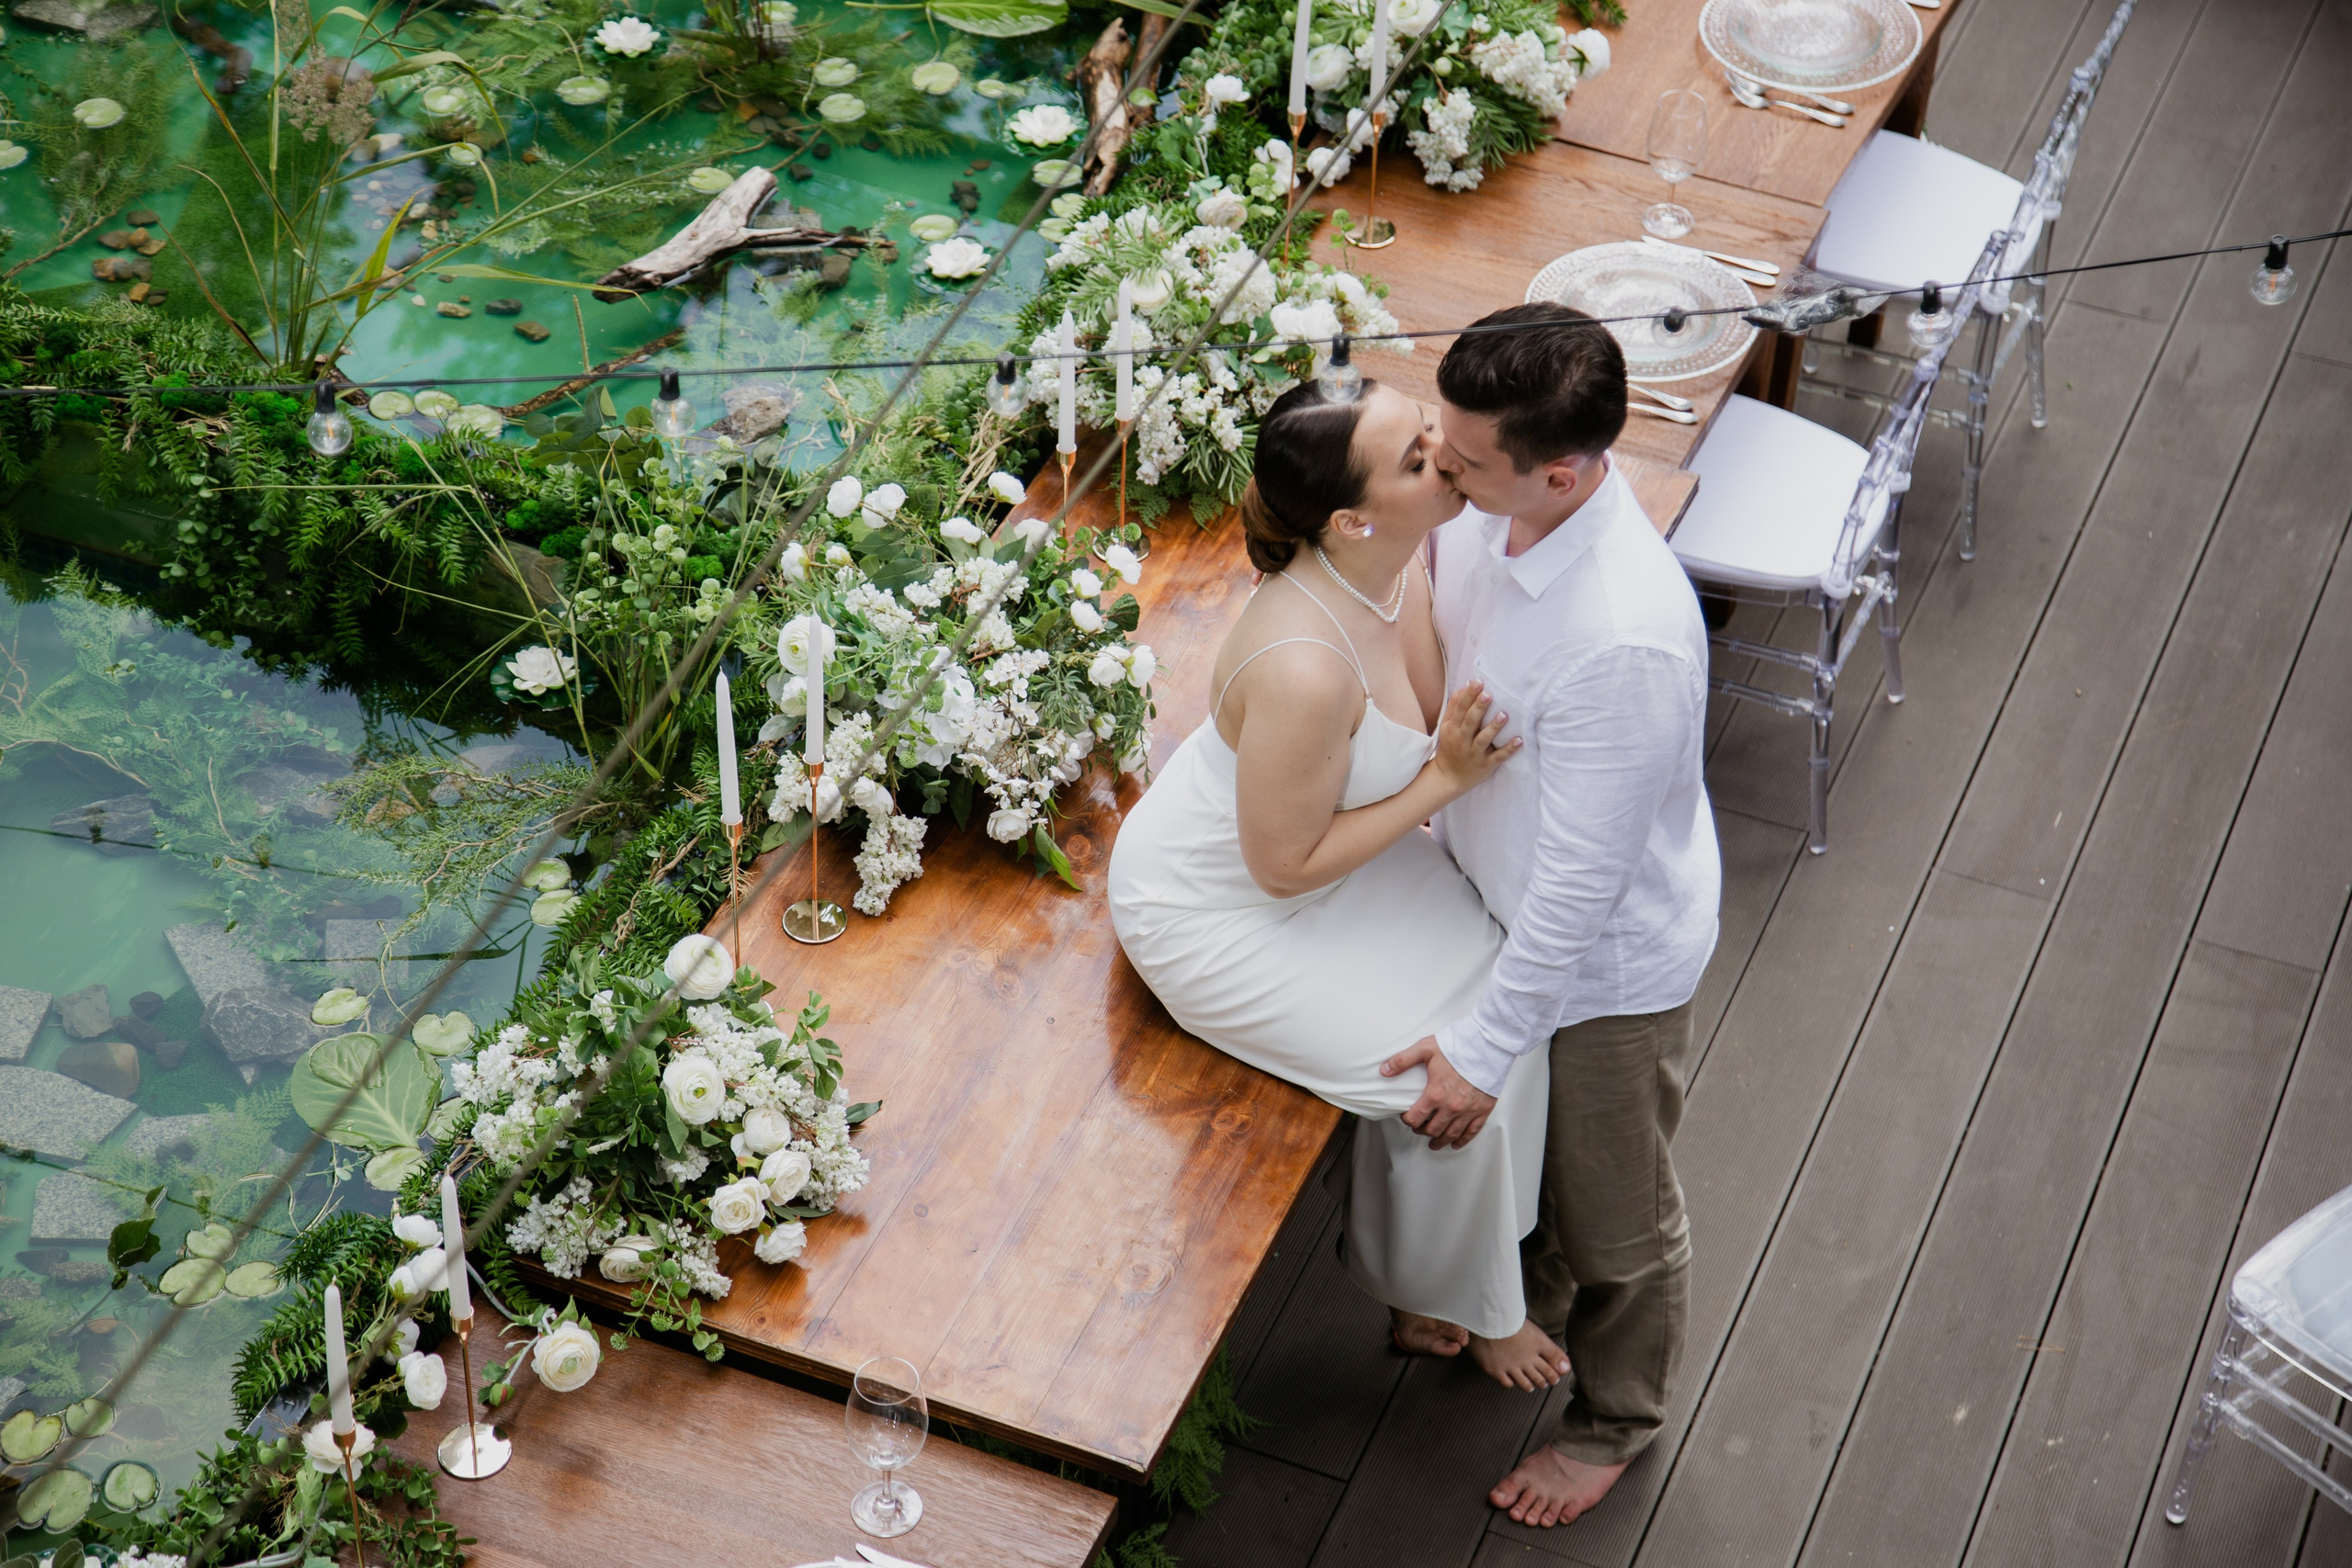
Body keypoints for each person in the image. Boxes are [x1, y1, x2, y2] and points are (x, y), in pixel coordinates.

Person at [1107, 378, 1575, 1389]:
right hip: (1224, 908)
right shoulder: (1303, 664)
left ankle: (1446, 1262)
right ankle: (1457, 1304)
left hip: (1323, 851)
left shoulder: (1401, 566)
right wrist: (1447, 779)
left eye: (1428, 434)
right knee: (1444, 1068)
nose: (1445, 456)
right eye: (1416, 458)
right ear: (1349, 517)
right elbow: (1279, 869)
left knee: (1504, 1002)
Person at [1380, 301, 1721, 1527]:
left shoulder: (1626, 637)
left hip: (1601, 966)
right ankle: (1497, 1292)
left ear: (1562, 472)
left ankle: (1616, 1418)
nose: (1440, 466)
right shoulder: (1490, 513)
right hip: (1480, 893)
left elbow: (1581, 887)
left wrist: (1484, 1043)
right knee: (1515, 1158)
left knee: (1616, 1211)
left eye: (1463, 459)